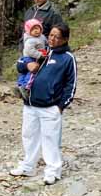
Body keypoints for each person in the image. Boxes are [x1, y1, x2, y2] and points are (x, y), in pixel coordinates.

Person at [9, 23, 78, 185]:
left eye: (57, 37)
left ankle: (53, 170)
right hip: (30, 104)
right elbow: (19, 63)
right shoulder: (41, 49)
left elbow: (71, 85)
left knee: (50, 139)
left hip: (50, 107)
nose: (52, 39)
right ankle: (28, 166)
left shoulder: (68, 58)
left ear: (65, 39)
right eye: (51, 35)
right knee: (29, 135)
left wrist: (60, 106)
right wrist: (27, 65)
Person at [16, 19, 48, 99]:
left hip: (34, 56)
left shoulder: (42, 37)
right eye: (33, 29)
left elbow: (46, 43)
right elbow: (29, 51)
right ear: (28, 31)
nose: (36, 31)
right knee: (32, 72)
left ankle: (20, 86)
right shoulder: (30, 40)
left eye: (38, 28)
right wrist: (40, 55)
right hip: (30, 58)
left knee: (25, 73)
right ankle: (26, 87)